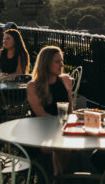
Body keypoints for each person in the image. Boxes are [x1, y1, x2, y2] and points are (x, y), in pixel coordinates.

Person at [27, 46, 73, 176]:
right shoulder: (33, 86)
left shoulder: (65, 80)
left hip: (62, 129)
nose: (62, 65)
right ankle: (59, 177)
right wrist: (62, 126)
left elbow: (70, 111)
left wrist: (69, 91)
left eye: (62, 61)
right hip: (41, 131)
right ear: (46, 64)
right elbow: (41, 115)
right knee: (61, 146)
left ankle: (59, 177)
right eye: (57, 61)